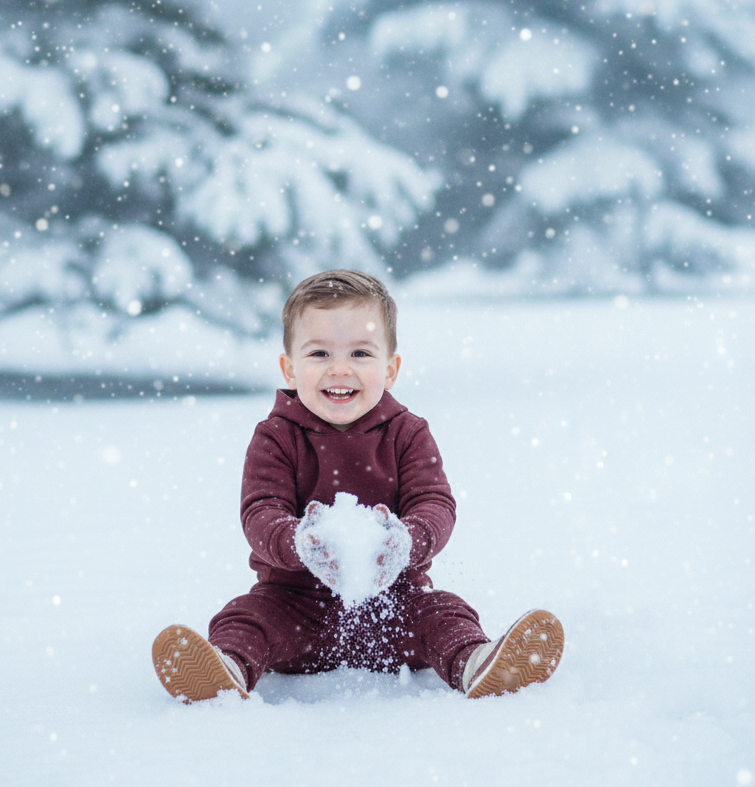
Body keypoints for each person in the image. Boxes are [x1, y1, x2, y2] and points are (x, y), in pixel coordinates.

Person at [152, 270, 564, 702]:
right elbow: (260, 511)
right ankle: (228, 669)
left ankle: (476, 663)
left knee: (443, 612)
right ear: (289, 368)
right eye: (319, 353)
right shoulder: (275, 436)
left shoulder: (407, 433)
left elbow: (434, 502)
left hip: (390, 604)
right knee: (245, 617)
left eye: (361, 353)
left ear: (391, 369)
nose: (340, 368)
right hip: (293, 607)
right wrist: (298, 543)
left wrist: (407, 541)